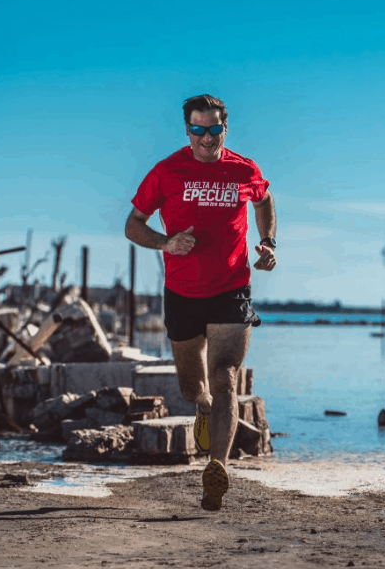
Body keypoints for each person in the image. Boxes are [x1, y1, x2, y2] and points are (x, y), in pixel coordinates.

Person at [125, 94, 277, 511]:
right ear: (187, 130)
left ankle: (217, 468)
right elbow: (133, 225)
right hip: (183, 293)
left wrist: (267, 243)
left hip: (232, 289)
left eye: (214, 129)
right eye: (198, 129)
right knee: (194, 387)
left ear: (225, 129)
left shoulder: (244, 169)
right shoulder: (167, 171)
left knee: (226, 373)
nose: (206, 138)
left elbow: (263, 199)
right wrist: (166, 242)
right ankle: (205, 409)